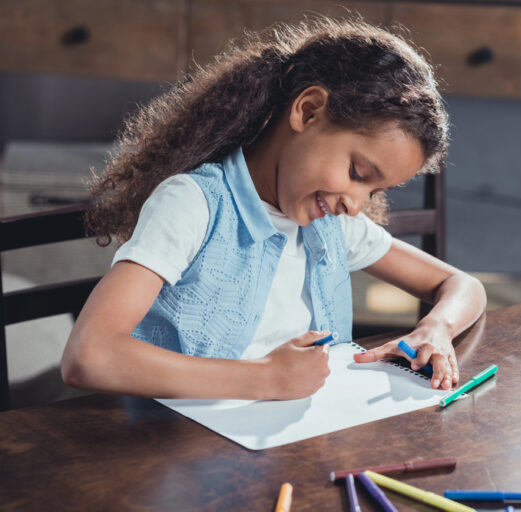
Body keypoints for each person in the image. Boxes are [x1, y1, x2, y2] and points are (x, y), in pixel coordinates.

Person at [61, 17, 486, 401]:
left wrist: (438, 327)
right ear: (308, 110)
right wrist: (265, 379)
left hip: (296, 448)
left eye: (375, 191)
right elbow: (90, 355)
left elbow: (462, 285)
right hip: (175, 451)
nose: (356, 205)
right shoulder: (193, 205)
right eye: (357, 172)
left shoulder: (334, 225)